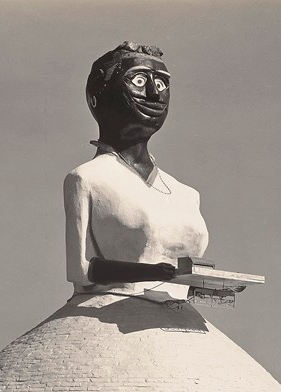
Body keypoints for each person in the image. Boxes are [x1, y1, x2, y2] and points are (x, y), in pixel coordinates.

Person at [64, 42, 209, 300]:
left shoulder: (187, 194)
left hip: (180, 323)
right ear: (97, 97)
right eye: (139, 81)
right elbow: (81, 270)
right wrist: (151, 273)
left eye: (162, 84)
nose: (155, 94)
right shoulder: (86, 179)